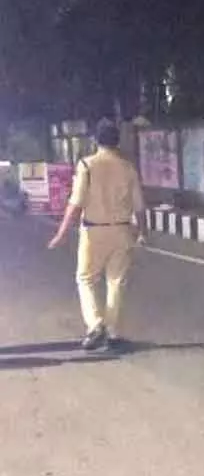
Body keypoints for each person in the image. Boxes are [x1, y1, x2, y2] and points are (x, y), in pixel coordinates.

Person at [48, 119, 146, 353]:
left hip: (94, 232)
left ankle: (95, 324)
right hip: (122, 231)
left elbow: (75, 203)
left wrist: (61, 232)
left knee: (86, 279)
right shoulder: (128, 168)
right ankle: (112, 332)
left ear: (96, 140)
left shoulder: (87, 165)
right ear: (117, 141)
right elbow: (140, 206)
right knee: (116, 282)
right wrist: (142, 231)